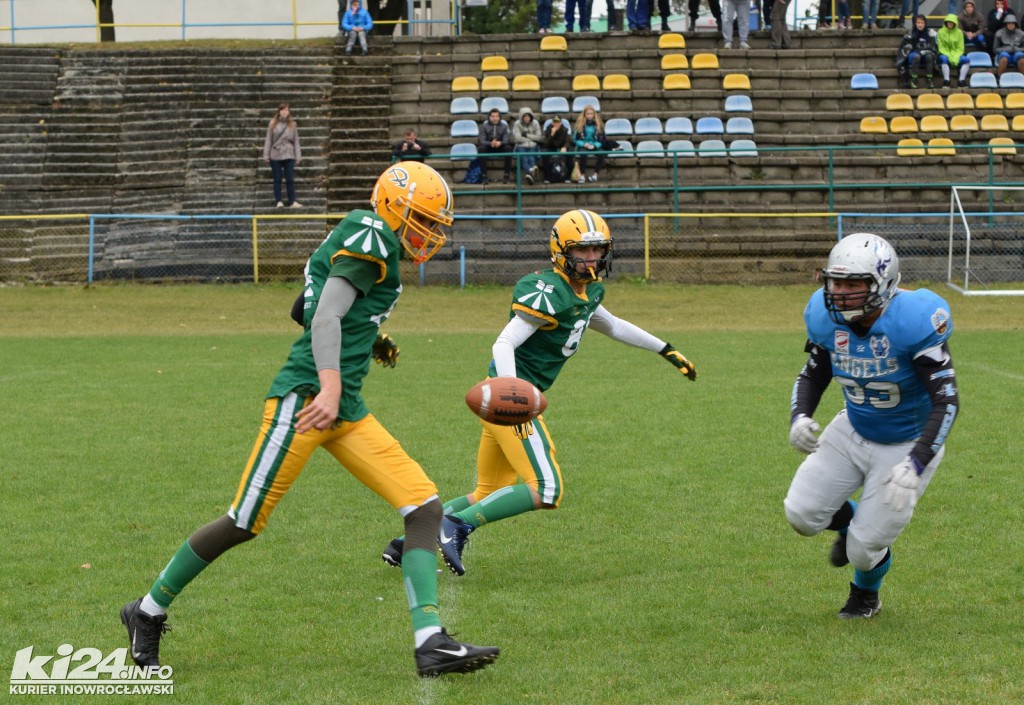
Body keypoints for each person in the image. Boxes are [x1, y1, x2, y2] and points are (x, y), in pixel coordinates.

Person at [119, 161, 500, 678]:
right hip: (305, 401)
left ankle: (431, 640)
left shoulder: (372, 242)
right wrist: (330, 380)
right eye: (422, 220)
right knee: (243, 522)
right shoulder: (371, 235)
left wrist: (372, 339)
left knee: (424, 507)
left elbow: (305, 303)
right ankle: (147, 610)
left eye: (434, 224)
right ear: (392, 208)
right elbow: (321, 316)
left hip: (343, 410)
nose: (428, 232)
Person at [379, 209, 698, 577]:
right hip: (507, 399)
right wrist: (511, 397)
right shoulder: (549, 290)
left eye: (597, 250)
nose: (592, 258)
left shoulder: (587, 290)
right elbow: (505, 342)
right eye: (583, 250)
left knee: (488, 492)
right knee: (547, 488)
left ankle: (408, 543)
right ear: (562, 250)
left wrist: (665, 349)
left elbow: (611, 325)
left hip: (499, 396)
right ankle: (457, 526)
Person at [784, 233, 959, 619]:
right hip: (853, 426)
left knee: (862, 550)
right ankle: (850, 525)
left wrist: (916, 462)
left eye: (853, 284)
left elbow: (946, 401)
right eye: (836, 282)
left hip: (907, 441)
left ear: (883, 283)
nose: (841, 293)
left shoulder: (913, 320)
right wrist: (800, 415)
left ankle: (865, 594)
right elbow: (814, 373)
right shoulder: (823, 316)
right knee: (800, 514)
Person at [262, 103, 302, 209]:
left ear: (289, 112)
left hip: (289, 154)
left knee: (289, 178)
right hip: (275, 154)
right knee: (277, 179)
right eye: (282, 110)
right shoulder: (272, 123)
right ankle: (279, 200)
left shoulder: (293, 124)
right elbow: (268, 140)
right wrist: (266, 155)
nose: (284, 112)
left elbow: (296, 141)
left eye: (286, 110)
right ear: (279, 111)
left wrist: (298, 156)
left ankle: (292, 200)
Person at [899, 15, 938, 88]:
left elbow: (933, 47)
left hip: (926, 55)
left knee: (929, 56)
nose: (920, 25)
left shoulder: (930, 33)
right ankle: (914, 79)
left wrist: (925, 51)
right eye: (918, 23)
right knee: (916, 56)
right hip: (914, 55)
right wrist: (919, 51)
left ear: (925, 23)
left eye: (922, 23)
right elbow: (906, 48)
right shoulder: (910, 33)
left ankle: (929, 79)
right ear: (915, 23)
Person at [572, 105, 608, 183]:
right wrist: (584, 144)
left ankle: (595, 175)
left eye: (591, 114)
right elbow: (575, 139)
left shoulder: (598, 125)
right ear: (584, 114)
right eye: (588, 114)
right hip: (584, 145)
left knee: (602, 154)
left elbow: (602, 139)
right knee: (583, 154)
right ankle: (582, 175)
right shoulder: (579, 124)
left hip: (594, 145)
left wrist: (595, 145)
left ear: (594, 114)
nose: (589, 115)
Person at [478, 108, 512, 184]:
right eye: (493, 116)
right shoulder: (484, 126)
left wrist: (500, 143)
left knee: (508, 148)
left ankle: (506, 176)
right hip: (489, 146)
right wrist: (490, 143)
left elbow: (506, 140)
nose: (495, 118)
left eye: (496, 116)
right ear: (489, 117)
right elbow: (482, 140)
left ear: (499, 117)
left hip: (500, 146)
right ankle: (484, 176)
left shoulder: (504, 126)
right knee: (481, 149)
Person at [937, 13, 970, 87]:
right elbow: (941, 47)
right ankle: (946, 80)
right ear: (946, 22)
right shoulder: (940, 32)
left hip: (956, 54)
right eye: (948, 22)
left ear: (955, 23)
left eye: (952, 22)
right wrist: (949, 56)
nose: (950, 23)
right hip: (945, 53)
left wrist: (955, 56)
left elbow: (961, 47)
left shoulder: (959, 32)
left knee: (966, 60)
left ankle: (961, 80)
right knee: (944, 59)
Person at [512, 107, 543, 185]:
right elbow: (518, 138)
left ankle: (529, 174)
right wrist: (532, 138)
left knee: (531, 157)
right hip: (521, 146)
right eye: (525, 116)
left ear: (531, 116)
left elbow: (539, 137)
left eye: (528, 116)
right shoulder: (517, 124)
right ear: (521, 117)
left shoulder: (535, 123)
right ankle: (530, 171)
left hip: (533, 146)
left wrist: (526, 135)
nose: (527, 118)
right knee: (524, 158)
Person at [541, 115, 572, 183]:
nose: (556, 124)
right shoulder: (548, 130)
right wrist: (552, 134)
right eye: (555, 122)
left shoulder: (565, 129)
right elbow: (545, 144)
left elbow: (567, 141)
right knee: (544, 152)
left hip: (561, 147)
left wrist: (564, 147)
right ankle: (547, 177)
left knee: (570, 152)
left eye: (558, 122)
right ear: (552, 123)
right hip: (551, 147)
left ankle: (567, 177)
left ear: (561, 123)